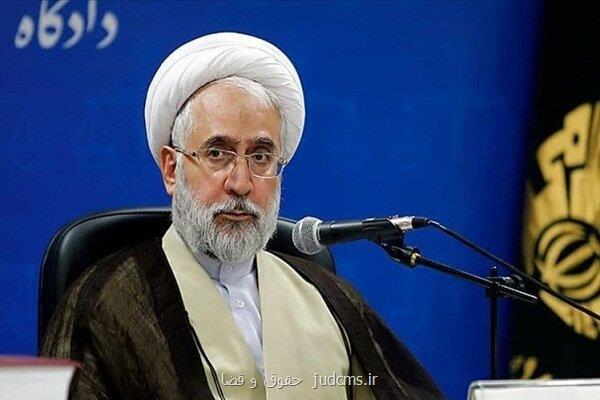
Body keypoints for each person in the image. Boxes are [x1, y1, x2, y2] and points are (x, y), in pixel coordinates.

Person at [42, 32, 444, 400]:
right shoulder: (105, 305)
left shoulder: (329, 299)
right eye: (217, 153)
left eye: (261, 156)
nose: (240, 182)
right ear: (171, 169)